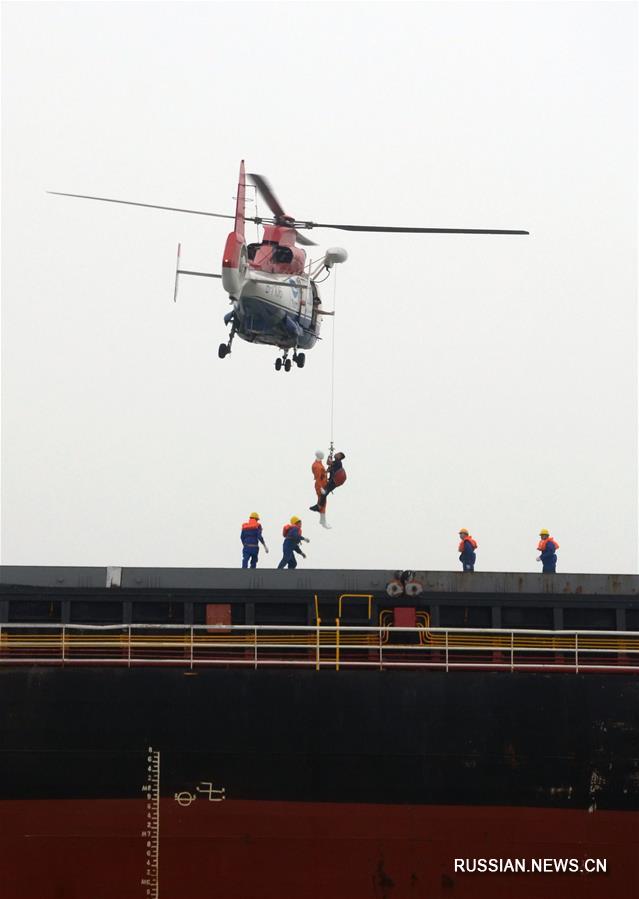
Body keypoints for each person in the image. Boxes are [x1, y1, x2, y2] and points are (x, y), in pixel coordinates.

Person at [309, 450, 331, 529]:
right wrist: (321, 488)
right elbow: (318, 478)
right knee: (322, 502)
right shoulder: (316, 466)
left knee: (322, 502)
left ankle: (322, 520)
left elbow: (322, 474)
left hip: (323, 484)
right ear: (319, 455)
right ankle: (323, 521)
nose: (323, 456)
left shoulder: (319, 464)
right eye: (322, 454)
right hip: (320, 486)